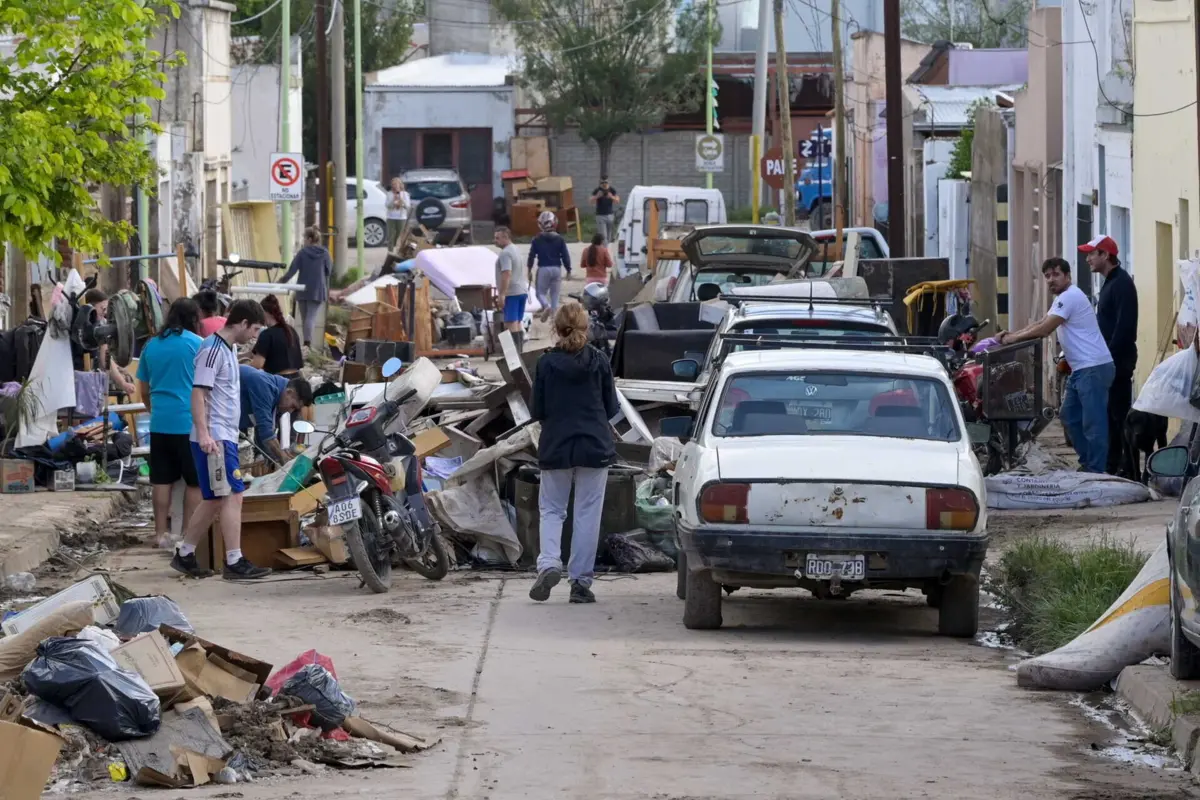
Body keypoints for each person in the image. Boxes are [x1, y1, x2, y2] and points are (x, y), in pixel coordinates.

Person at [171, 299, 272, 580]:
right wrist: (204, 433)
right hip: (214, 436)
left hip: (222, 434)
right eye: (254, 329)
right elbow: (198, 393)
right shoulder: (212, 350)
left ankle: (187, 553)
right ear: (241, 324)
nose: (255, 336)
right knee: (232, 494)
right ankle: (233, 560)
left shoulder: (229, 348)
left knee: (217, 497)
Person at [528, 303, 619, 604]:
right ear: (586, 327)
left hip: (556, 445)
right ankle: (580, 583)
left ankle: (549, 563)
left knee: (552, 509)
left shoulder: (545, 364)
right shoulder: (599, 360)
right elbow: (611, 408)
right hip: (594, 445)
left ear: (555, 328)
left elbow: (537, 410)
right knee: (587, 513)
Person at [998, 257, 1115, 473]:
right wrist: (1011, 335)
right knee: (1069, 416)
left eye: (1056, 275)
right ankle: (1088, 463)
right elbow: (1041, 323)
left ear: (1067, 276)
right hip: (1080, 369)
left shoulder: (1070, 296)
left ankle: (1096, 470)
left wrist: (1012, 340)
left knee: (1093, 423)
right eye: (1047, 276)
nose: (1051, 280)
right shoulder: (1062, 298)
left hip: (1093, 367)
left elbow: (1045, 330)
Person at [135, 298, 204, 549]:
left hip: (160, 421)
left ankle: (161, 533)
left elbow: (143, 389)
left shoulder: (151, 345)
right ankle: (186, 533)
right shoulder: (198, 344)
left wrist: (154, 410)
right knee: (194, 481)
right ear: (193, 319)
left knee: (161, 480)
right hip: (189, 422)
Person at [1082, 235, 1139, 476]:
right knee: (1110, 416)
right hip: (1108, 360)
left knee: (1119, 416)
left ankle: (1129, 467)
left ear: (1105, 255)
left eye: (1092, 254)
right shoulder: (1110, 282)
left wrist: (1109, 359)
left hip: (1117, 361)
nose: (1088, 259)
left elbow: (1124, 328)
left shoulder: (1122, 284)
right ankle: (1113, 464)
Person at [239, 365, 314, 465]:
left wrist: (282, 453)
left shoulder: (279, 395)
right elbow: (266, 432)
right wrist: (283, 460)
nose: (290, 412)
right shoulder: (264, 386)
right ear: (289, 392)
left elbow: (269, 433)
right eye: (292, 406)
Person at [72, 289, 137, 396]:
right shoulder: (90, 329)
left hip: (87, 382)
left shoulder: (96, 326)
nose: (105, 312)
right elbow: (105, 360)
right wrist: (123, 383)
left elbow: (107, 359)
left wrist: (122, 377)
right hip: (80, 384)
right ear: (91, 308)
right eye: (102, 308)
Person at [280, 226, 332, 349]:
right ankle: (307, 344)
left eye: (304, 238)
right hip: (318, 289)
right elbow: (328, 271)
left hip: (302, 288)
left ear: (309, 239)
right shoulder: (325, 253)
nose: (303, 240)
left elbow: (292, 270)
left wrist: (282, 281)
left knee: (304, 317)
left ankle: (306, 343)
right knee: (311, 316)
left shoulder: (302, 253)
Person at [528, 211, 571, 322]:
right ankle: (554, 317)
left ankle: (545, 306)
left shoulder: (536, 239)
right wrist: (568, 269)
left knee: (540, 293)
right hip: (557, 268)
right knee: (555, 294)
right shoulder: (560, 239)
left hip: (543, 268)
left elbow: (531, 255)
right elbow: (565, 255)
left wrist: (529, 269)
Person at [493, 226, 529, 348]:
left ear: (505, 237)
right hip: (521, 290)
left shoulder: (505, 253)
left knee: (510, 322)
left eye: (497, 238)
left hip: (511, 292)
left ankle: (515, 354)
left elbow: (506, 273)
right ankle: (520, 352)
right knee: (518, 322)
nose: (495, 241)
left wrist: (502, 294)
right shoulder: (516, 249)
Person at [251, 294, 303, 376]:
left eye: (260, 313)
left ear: (266, 313)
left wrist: (240, 367)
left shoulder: (267, 334)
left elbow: (257, 365)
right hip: (297, 379)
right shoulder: (291, 330)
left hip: (278, 381)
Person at [590, 178, 619, 243]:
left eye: (605, 182)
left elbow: (617, 200)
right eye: (602, 183)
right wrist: (597, 196)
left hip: (610, 215)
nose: (604, 184)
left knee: (609, 236)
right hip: (600, 216)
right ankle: (604, 251)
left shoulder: (612, 190)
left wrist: (612, 197)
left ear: (609, 182)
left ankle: (605, 250)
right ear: (600, 183)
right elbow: (590, 201)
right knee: (603, 236)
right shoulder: (597, 190)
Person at [387, 177, 410, 251]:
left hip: (401, 217)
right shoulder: (389, 194)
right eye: (394, 184)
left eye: (397, 184)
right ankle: (390, 251)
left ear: (400, 185)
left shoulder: (405, 194)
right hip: (391, 217)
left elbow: (408, 206)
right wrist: (393, 199)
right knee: (391, 235)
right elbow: (387, 206)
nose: (395, 186)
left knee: (400, 235)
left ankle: (399, 250)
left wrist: (401, 200)